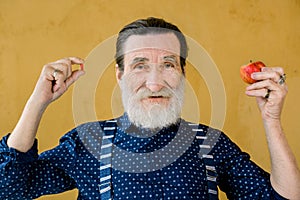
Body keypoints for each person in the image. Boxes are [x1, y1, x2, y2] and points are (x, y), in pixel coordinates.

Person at [0, 17, 299, 200]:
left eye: (168, 64)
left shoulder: (211, 144)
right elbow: (9, 188)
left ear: (182, 73)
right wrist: (38, 102)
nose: (155, 83)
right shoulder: (88, 143)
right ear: (120, 75)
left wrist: (271, 119)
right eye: (140, 65)